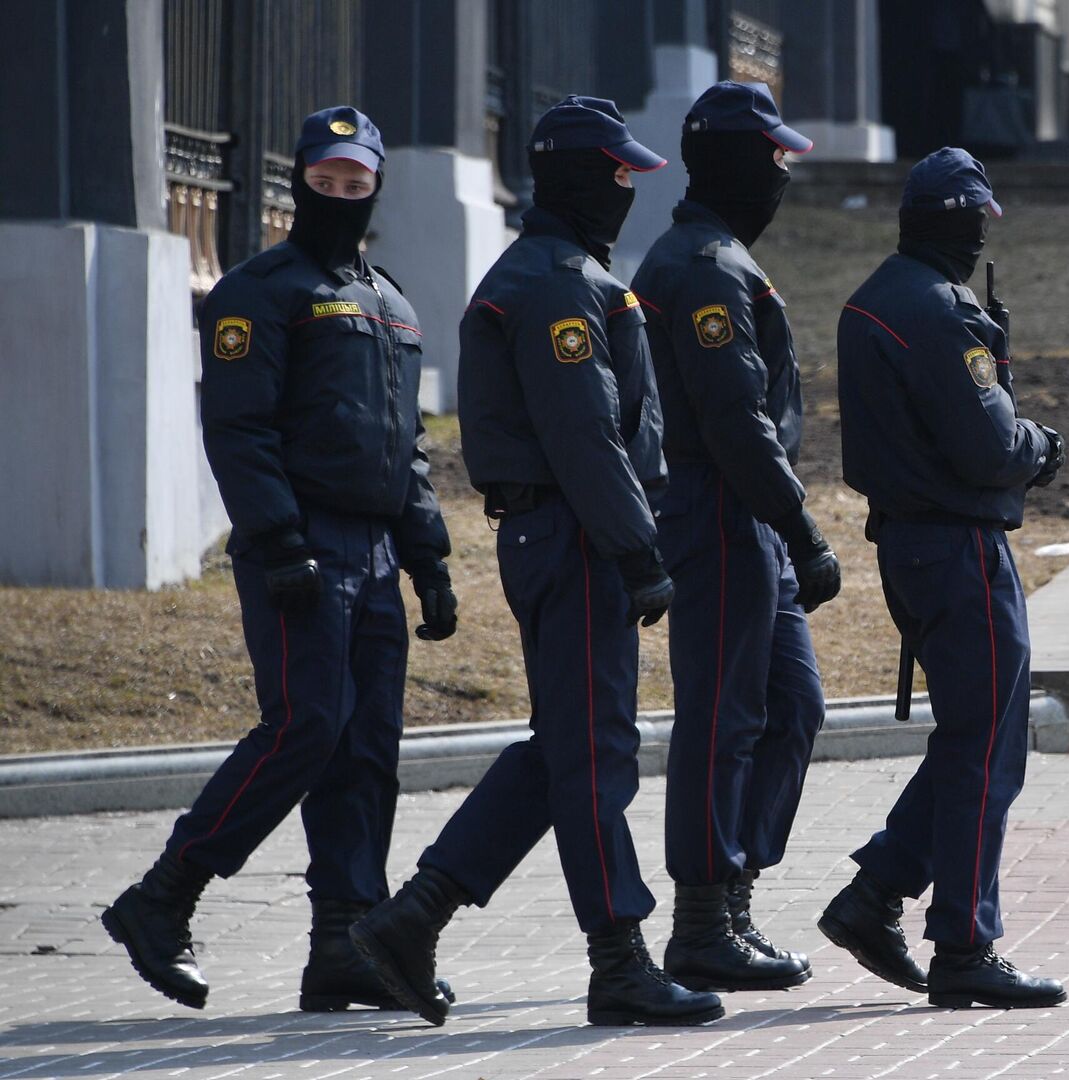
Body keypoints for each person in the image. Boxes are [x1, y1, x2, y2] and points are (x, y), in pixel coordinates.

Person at [347, 95, 720, 1028]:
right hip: (578, 535)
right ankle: (619, 960)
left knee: (565, 748)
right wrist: (639, 552)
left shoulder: (569, 272)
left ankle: (414, 916)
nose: (630, 189)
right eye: (620, 173)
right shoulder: (558, 283)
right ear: (584, 178)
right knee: (594, 755)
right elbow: (587, 437)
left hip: (565, 531)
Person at [101, 106, 459, 1014]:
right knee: (306, 725)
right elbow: (240, 430)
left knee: (368, 746)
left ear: (375, 186)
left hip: (376, 550)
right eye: (325, 179)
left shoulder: (393, 302)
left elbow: (406, 447)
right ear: (297, 181)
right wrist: (280, 540)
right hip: (302, 546)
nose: (338, 194)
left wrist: (430, 558)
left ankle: (346, 942)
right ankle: (162, 896)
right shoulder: (260, 291)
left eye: (356, 181)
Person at [823, 147, 1068, 1009]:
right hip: (961, 548)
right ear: (963, 221)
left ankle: (875, 894)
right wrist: (1043, 444)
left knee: (973, 736)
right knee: (987, 751)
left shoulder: (873, 300)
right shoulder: (940, 311)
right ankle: (965, 942)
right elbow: (992, 444)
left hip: (911, 544)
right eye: (976, 221)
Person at [629, 80, 838, 993]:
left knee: (791, 707)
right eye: (776, 157)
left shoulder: (721, 259)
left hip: (746, 513)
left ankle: (734, 896)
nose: (784, 173)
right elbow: (733, 420)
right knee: (723, 719)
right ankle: (703, 920)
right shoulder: (705, 268)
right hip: (719, 512)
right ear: (742, 162)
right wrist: (800, 524)